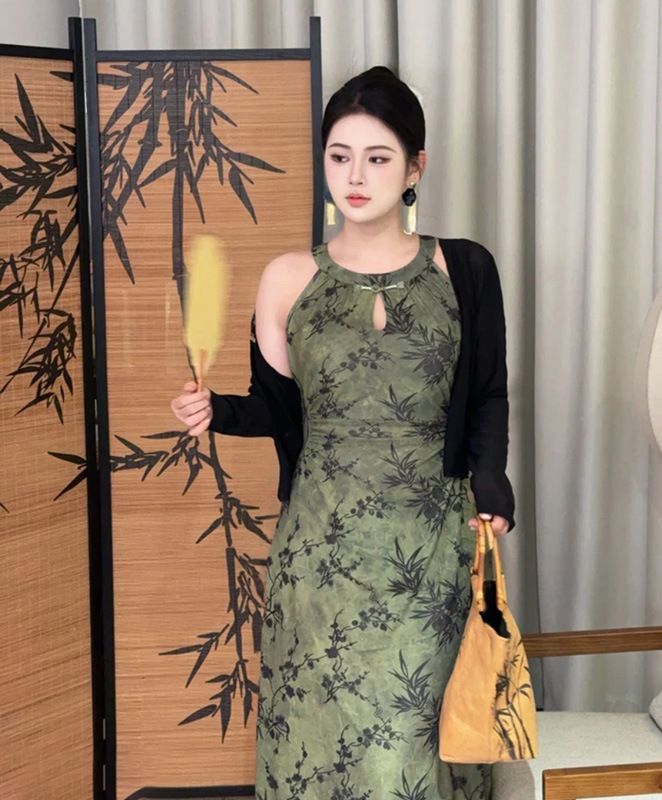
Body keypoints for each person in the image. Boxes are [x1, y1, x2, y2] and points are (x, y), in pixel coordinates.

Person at [171, 65, 514, 800]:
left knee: (407, 759)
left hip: (432, 552)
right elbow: (277, 411)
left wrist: (493, 489)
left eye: (378, 157)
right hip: (320, 559)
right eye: (339, 156)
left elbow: (488, 394)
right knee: (322, 756)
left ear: (416, 167)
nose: (355, 176)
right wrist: (215, 411)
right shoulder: (286, 278)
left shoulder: (465, 270)